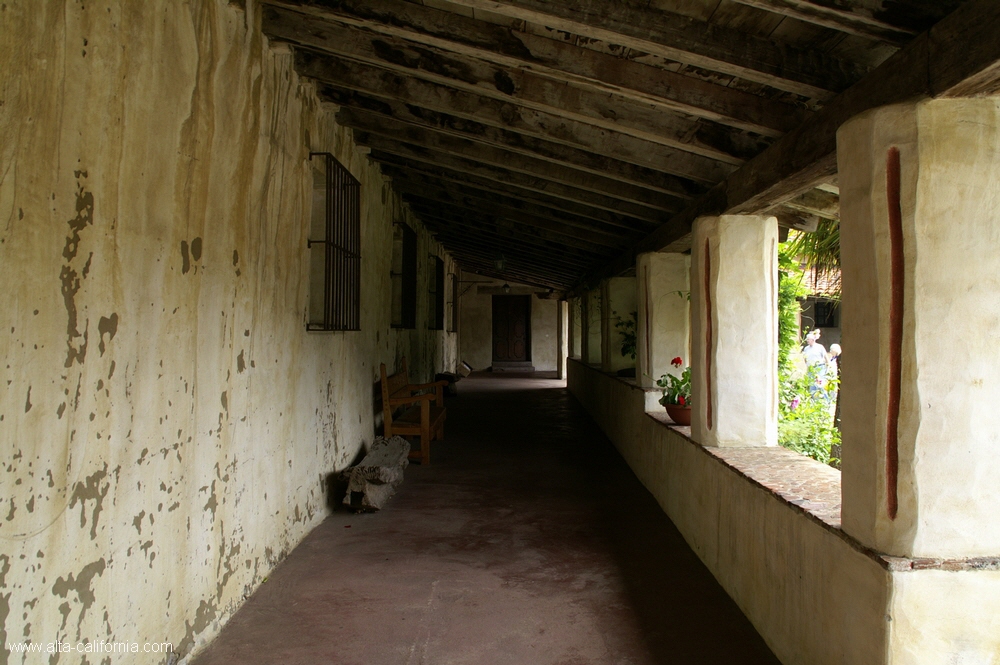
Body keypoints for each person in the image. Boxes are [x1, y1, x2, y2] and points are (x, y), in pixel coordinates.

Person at [802, 329, 828, 398]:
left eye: (808, 339)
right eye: (807, 339)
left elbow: (825, 356)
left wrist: (828, 365)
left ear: (813, 340)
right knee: (811, 385)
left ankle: (825, 399)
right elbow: (805, 358)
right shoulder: (806, 348)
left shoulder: (820, 347)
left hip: (819, 367)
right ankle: (813, 400)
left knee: (820, 383)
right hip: (811, 368)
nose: (807, 341)